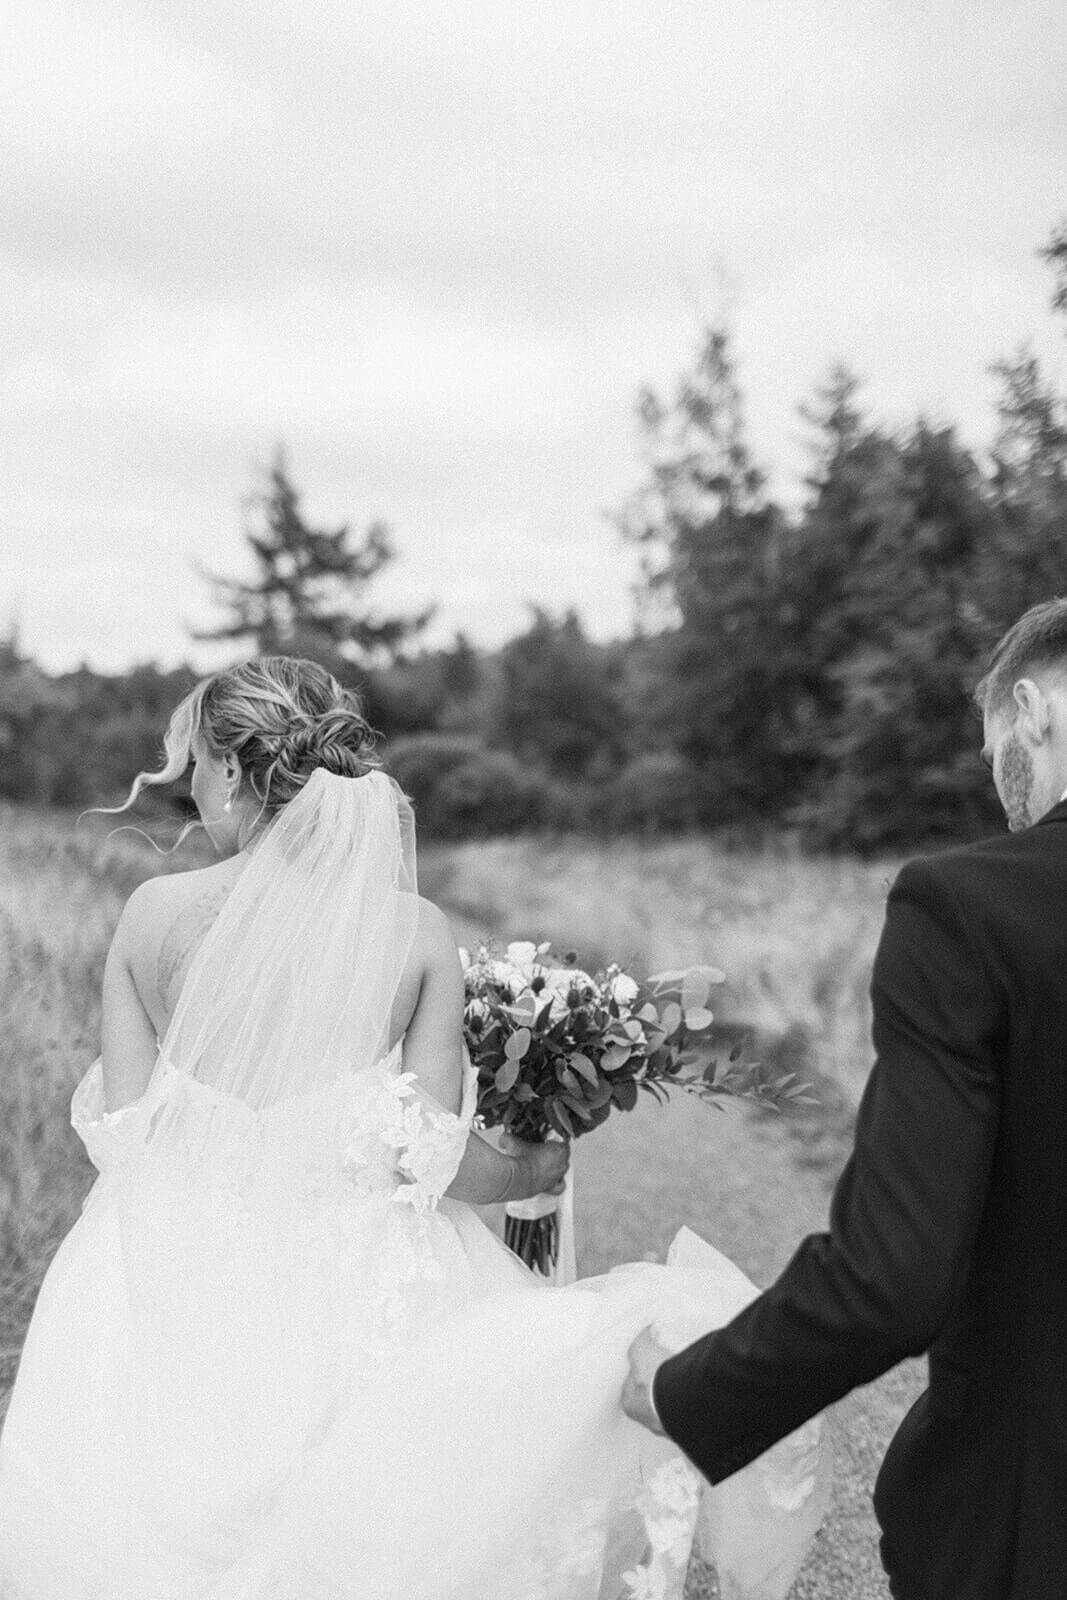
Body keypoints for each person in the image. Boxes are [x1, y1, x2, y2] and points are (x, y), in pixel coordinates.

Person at [0, 655, 828, 1600]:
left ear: (230, 771)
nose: (188, 782)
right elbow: (433, 1163)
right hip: (348, 1274)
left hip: (158, 1275)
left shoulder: (151, 915)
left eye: (191, 760)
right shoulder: (414, 932)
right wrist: (534, 1169)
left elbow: (121, 1134)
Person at [623, 595, 1067, 1599]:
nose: (1004, 789)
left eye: (999, 748)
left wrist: (684, 1391)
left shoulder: (965, 908)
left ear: (1032, 712)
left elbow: (891, 1272)